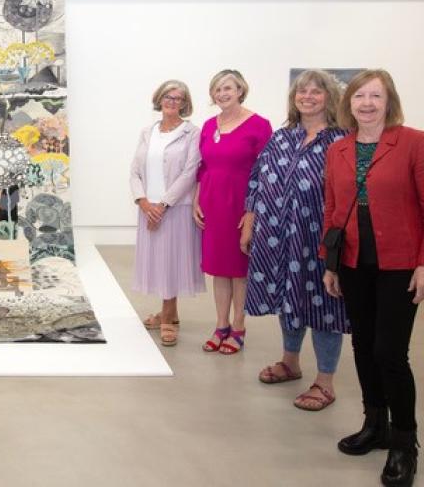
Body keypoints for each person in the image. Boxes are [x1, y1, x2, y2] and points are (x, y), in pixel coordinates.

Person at [322, 69, 424, 487]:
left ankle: (405, 442)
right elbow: (332, 208)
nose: (366, 103)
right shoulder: (339, 149)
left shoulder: (413, 143)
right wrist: (329, 264)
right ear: (349, 104)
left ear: (389, 102)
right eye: (359, 96)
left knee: (389, 353)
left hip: (400, 262)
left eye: (375, 96)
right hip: (353, 262)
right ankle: (375, 424)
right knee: (363, 346)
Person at [241, 70, 348, 410]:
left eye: (317, 92)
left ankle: (325, 382)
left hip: (319, 237)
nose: (308, 97)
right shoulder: (282, 136)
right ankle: (290, 361)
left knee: (324, 303)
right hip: (276, 234)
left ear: (329, 99)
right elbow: (258, 178)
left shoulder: (341, 140)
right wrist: (250, 219)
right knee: (288, 295)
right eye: (303, 92)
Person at [194, 69, 271, 354]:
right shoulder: (207, 125)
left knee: (239, 270)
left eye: (228, 88)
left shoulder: (258, 124)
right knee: (218, 269)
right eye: (217, 90)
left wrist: (252, 212)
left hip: (240, 202)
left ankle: (238, 327)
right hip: (212, 203)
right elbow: (202, 168)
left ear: (240, 90)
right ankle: (220, 324)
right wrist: (196, 201)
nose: (223, 94)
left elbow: (266, 172)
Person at [130, 80, 204, 346]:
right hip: (148, 208)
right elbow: (135, 171)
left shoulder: (191, 133)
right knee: (158, 264)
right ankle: (166, 311)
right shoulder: (147, 132)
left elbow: (190, 171)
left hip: (174, 209)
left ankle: (169, 319)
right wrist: (143, 202)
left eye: (178, 98)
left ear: (185, 103)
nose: (172, 101)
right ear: (159, 99)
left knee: (171, 263)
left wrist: (163, 205)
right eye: (167, 97)